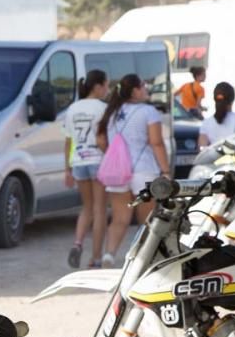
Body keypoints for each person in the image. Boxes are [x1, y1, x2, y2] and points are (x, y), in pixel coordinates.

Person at [96, 74, 171, 268]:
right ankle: (144, 258)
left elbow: (102, 141)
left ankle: (109, 255)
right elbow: (156, 142)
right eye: (144, 86)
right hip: (144, 170)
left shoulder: (111, 112)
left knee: (120, 218)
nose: (146, 90)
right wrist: (165, 170)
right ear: (135, 90)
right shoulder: (148, 112)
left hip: (118, 172)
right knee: (147, 220)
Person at [62, 69, 109, 269]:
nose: (107, 90)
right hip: (98, 160)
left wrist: (67, 169)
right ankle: (96, 258)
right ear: (98, 86)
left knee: (87, 208)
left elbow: (68, 141)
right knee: (100, 210)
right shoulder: (103, 108)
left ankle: (77, 243)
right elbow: (104, 139)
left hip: (78, 161)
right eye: (106, 86)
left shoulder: (72, 109)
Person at [198, 81, 235, 148]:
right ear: (233, 99)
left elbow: (202, 149)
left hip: (214, 158)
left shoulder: (206, 123)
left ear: (214, 99)